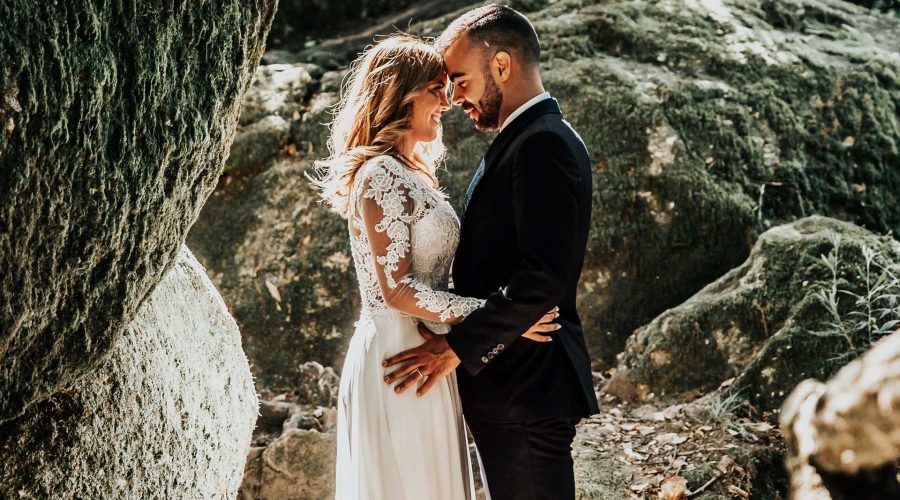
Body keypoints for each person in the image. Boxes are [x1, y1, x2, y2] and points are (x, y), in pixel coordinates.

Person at [310, 33, 558, 500]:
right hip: (398, 357)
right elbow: (398, 290)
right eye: (434, 90)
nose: (446, 103)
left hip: (426, 349)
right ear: (399, 95)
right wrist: (502, 317)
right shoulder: (380, 174)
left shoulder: (410, 172)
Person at [381, 5, 601, 499]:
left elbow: (544, 278)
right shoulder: (525, 138)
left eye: (460, 80)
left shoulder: (543, 144)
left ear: (501, 65)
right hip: (512, 385)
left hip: (527, 387)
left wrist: (455, 348)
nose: (454, 97)